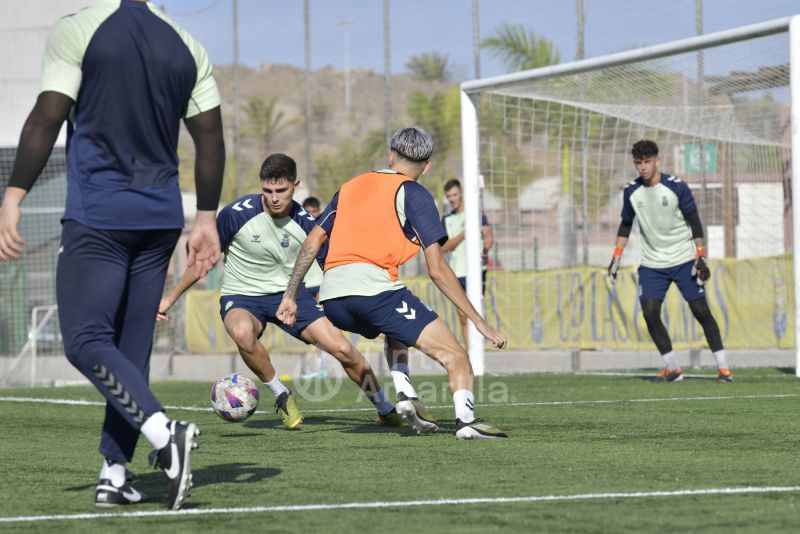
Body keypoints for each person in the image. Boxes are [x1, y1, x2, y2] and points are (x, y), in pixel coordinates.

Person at [0, 0, 224, 510]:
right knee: (129, 349)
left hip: (99, 215)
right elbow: (209, 138)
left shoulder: (78, 28)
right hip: (161, 218)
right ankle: (115, 472)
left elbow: (47, 116)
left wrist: (13, 195)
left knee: (83, 341)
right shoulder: (187, 45)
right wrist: (206, 218)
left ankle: (166, 437)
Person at [277, 127, 509, 439]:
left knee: (395, 330)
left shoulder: (349, 187)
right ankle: (466, 421)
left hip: (333, 299)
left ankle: (404, 392)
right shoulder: (413, 192)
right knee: (456, 356)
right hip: (374, 291)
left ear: (390, 155)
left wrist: (290, 295)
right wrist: (480, 322)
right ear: (426, 166)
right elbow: (437, 270)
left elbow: (312, 242)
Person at [158, 154, 410, 430]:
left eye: (282, 190)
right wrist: (169, 299)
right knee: (242, 333)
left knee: (344, 350)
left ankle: (385, 408)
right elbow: (203, 261)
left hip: (291, 297)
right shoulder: (235, 214)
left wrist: (373, 309)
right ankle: (281, 394)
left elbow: (337, 267)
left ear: (296, 185)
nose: (274, 197)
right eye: (268, 191)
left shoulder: (306, 224)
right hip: (242, 297)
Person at [608, 140, 732, 383]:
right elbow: (625, 224)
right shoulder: (631, 191)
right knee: (650, 311)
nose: (643, 167)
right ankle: (673, 368)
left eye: (647, 162)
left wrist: (701, 256)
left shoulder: (676, 187)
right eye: (638, 163)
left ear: (657, 161)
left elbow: (694, 221)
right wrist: (616, 258)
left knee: (700, 311)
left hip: (684, 260)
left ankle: (724, 368)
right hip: (652, 264)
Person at [441, 179, 494, 349]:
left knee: (476, 310)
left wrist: (485, 251)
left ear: (462, 193)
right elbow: (444, 246)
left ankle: (480, 350)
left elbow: (488, 236)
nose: (452, 198)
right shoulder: (447, 219)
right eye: (449, 196)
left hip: (478, 270)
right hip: (457, 272)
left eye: (455, 194)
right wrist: (466, 233)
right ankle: (471, 354)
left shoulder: (476, 214)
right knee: (463, 316)